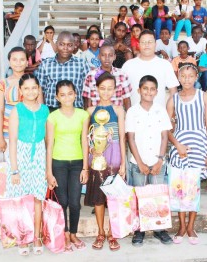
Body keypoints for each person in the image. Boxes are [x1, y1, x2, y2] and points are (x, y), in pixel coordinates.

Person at [167, 63, 207, 245]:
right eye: (183, 76)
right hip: (180, 147)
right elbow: (166, 129)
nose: (186, 79)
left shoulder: (204, 97)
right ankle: (181, 226)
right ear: (178, 78)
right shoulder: (173, 100)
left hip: (199, 146)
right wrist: (177, 145)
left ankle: (191, 226)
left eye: (190, 76)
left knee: (193, 188)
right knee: (180, 188)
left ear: (196, 77)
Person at [126, 75, 172, 246]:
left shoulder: (160, 110)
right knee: (140, 196)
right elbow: (130, 138)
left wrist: (160, 160)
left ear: (157, 92)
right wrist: (140, 163)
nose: (148, 92)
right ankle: (140, 230)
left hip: (157, 161)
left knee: (158, 196)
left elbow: (164, 136)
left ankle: (160, 229)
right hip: (138, 162)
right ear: (139, 90)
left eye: (152, 89)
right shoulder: (132, 111)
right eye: (145, 88)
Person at [7, 73, 49, 256]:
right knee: (21, 199)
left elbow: (48, 140)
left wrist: (48, 167)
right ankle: (23, 238)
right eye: (26, 88)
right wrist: (15, 169)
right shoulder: (17, 110)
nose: (31, 91)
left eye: (34, 87)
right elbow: (13, 140)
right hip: (21, 156)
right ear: (21, 91)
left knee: (38, 197)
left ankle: (38, 236)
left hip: (39, 153)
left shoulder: (45, 110)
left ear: (38, 89)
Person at [46, 80, 90, 253]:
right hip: (58, 163)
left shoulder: (83, 115)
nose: (67, 97)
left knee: (75, 202)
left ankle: (73, 233)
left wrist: (85, 167)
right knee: (62, 201)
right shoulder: (52, 117)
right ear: (57, 97)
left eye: (70, 93)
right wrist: (48, 172)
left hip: (77, 163)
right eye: (62, 94)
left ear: (75, 94)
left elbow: (85, 142)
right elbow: (49, 144)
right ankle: (64, 234)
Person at [84, 71, 126, 251]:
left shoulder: (118, 110)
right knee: (99, 197)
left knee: (114, 197)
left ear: (115, 90)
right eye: (103, 88)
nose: (106, 92)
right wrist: (90, 154)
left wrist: (123, 163)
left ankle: (113, 233)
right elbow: (86, 137)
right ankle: (101, 232)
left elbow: (122, 137)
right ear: (97, 89)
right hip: (98, 157)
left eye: (110, 88)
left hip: (115, 155)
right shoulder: (90, 110)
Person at [0, 47, 43, 153]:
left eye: (22, 59)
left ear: (27, 62)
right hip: (8, 133)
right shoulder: (3, 84)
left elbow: (41, 110)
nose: (18, 63)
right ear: (9, 62)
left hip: (31, 133)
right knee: (12, 166)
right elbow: (0, 111)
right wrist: (0, 137)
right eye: (14, 59)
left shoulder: (34, 82)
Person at [35, 31, 90, 111]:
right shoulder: (45, 64)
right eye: (62, 44)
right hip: (52, 109)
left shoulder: (82, 64)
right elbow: (40, 91)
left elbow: (87, 91)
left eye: (70, 45)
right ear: (56, 44)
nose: (65, 48)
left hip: (76, 110)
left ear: (74, 46)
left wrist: (86, 112)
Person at [122, 30, 179, 107]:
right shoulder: (128, 65)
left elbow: (173, 92)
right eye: (143, 42)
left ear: (155, 44)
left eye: (150, 42)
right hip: (134, 115)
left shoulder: (165, 65)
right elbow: (123, 94)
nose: (147, 45)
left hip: (159, 115)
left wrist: (169, 115)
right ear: (138, 45)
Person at [83, 45, 132, 110]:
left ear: (114, 57)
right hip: (96, 116)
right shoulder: (91, 75)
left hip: (117, 116)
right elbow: (87, 101)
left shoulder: (122, 75)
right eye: (103, 55)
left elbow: (127, 99)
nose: (107, 58)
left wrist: (127, 117)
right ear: (99, 56)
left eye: (110, 55)